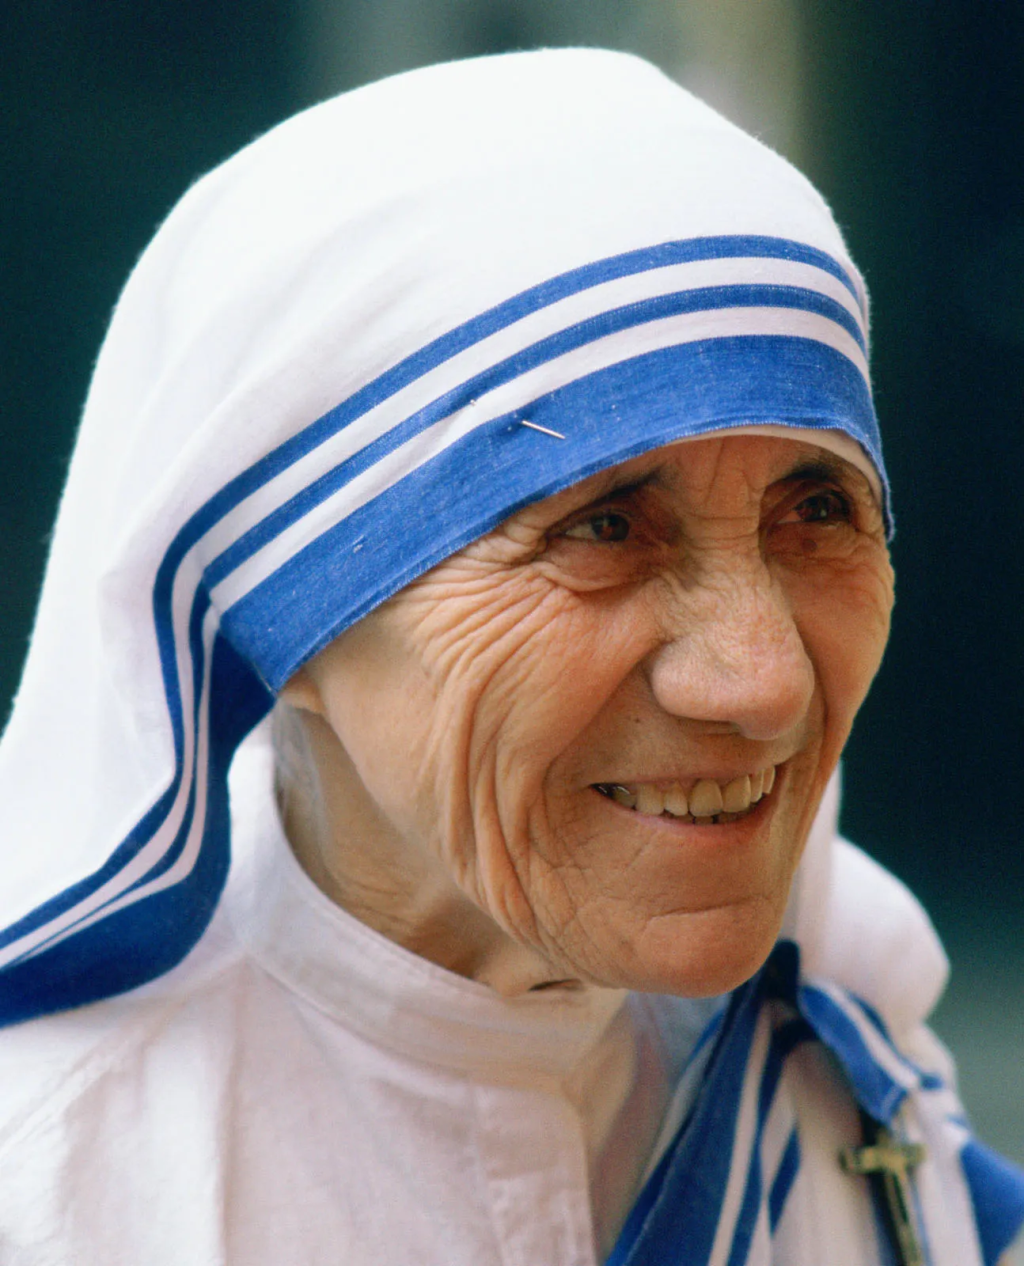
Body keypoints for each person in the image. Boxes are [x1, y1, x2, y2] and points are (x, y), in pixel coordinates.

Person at [0, 47, 1020, 1266]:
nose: (763, 682)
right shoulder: (56, 1186)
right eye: (601, 528)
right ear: (285, 623)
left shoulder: (844, 1037)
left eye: (817, 509)